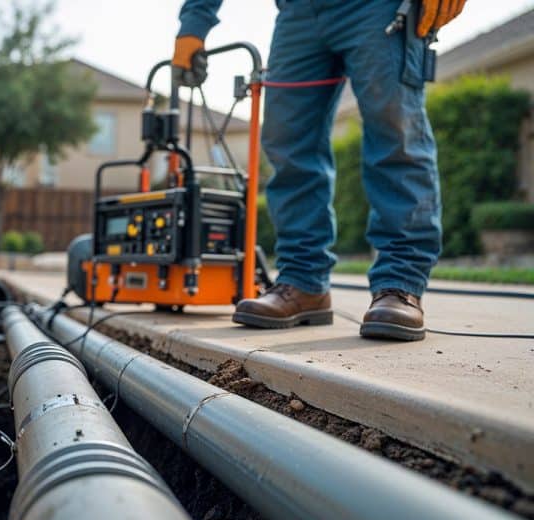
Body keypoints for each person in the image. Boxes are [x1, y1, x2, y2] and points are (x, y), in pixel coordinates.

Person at [174, 0, 467, 341]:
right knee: (288, 141)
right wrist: (194, 23)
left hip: (379, 8)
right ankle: (303, 282)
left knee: (396, 133)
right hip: (300, 13)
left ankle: (399, 285)